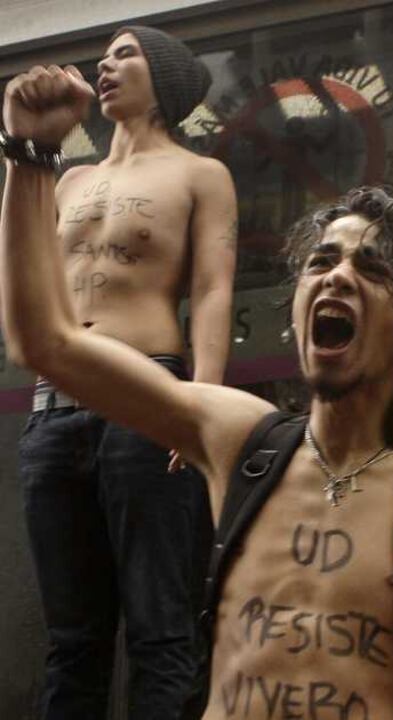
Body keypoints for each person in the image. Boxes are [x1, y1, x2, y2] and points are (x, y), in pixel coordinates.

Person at [0, 63, 393, 720]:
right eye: (321, 262)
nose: (336, 277)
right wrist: (29, 155)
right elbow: (46, 343)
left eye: (371, 267)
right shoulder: (237, 441)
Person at [5, 25, 236, 720]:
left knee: (161, 633)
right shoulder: (70, 178)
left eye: (125, 53)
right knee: (73, 644)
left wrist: (201, 409)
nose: (105, 64)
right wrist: (25, 147)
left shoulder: (199, 174)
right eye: (103, 56)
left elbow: (214, 289)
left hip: (149, 400)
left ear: (164, 77)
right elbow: (28, 288)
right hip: (55, 407)